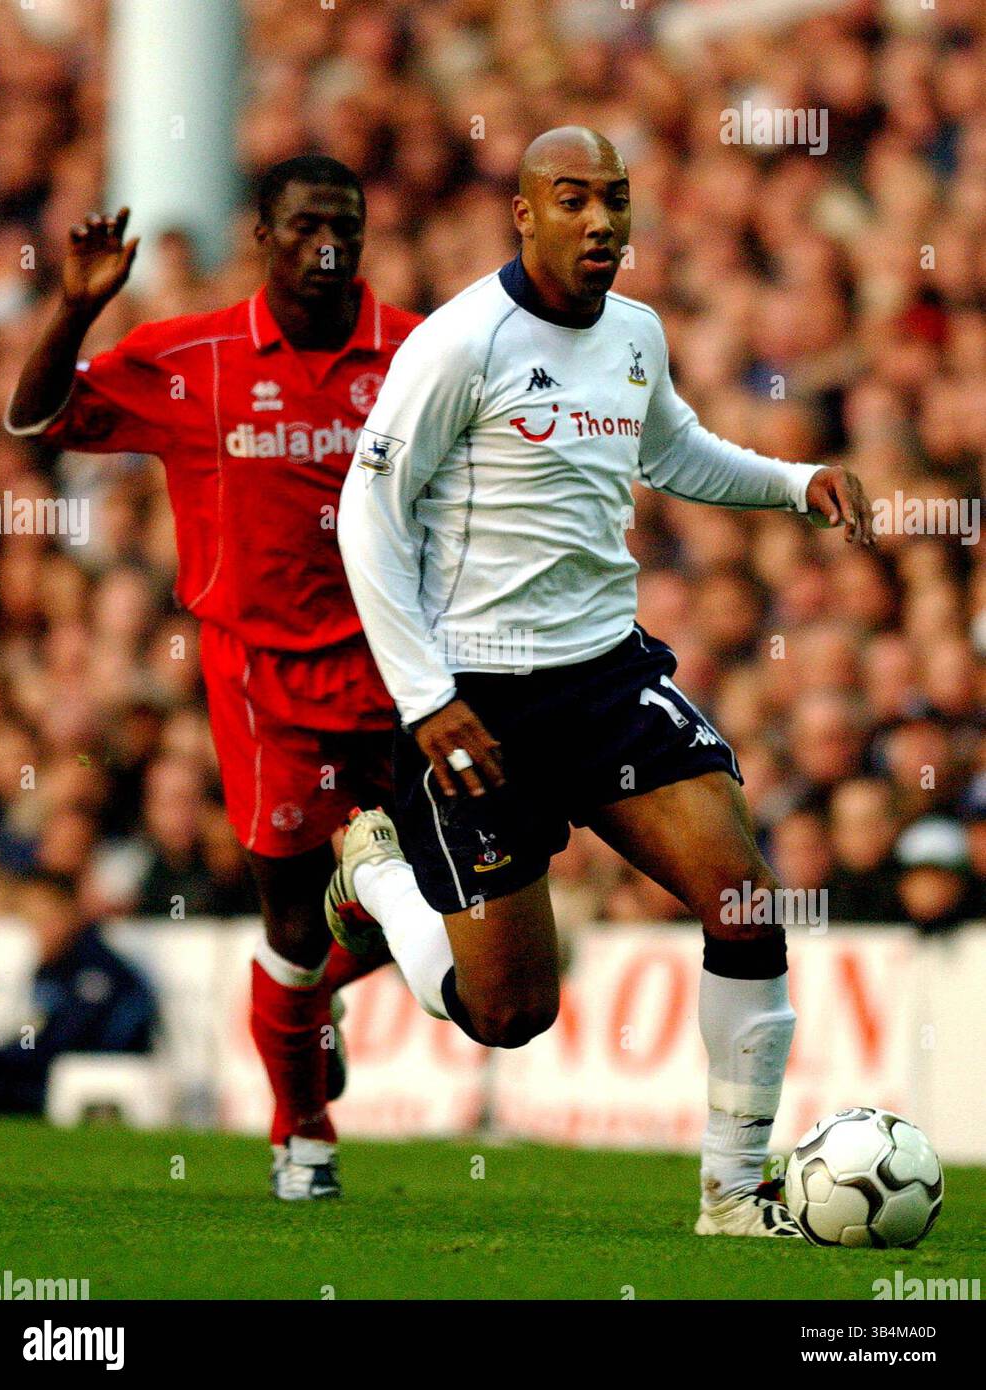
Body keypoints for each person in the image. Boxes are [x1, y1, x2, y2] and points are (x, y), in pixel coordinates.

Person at [332, 127, 875, 1237]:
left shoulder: (634, 332)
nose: (601, 222)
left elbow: (666, 448)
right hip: (475, 698)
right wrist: (425, 699)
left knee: (741, 897)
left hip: (602, 677)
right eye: (572, 199)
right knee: (511, 1012)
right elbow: (365, 518)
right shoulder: (458, 344)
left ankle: (730, 1194)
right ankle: (380, 878)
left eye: (616, 199)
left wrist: (793, 480)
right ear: (523, 214)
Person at [6, 155, 422, 1199]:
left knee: (420, 905)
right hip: (261, 685)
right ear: (262, 238)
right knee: (290, 927)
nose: (329, 249)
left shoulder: (420, 354)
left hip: (400, 669)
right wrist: (72, 308)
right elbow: (33, 420)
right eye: (305, 229)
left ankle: (295, 1011)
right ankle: (303, 1128)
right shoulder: (195, 357)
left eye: (348, 230)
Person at [0, 873, 157, 1115]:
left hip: (87, 1077)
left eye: (41, 919)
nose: (31, 931)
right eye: (25, 919)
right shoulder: (44, 967)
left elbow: (64, 1040)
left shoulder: (96, 970)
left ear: (69, 914)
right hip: (38, 1070)